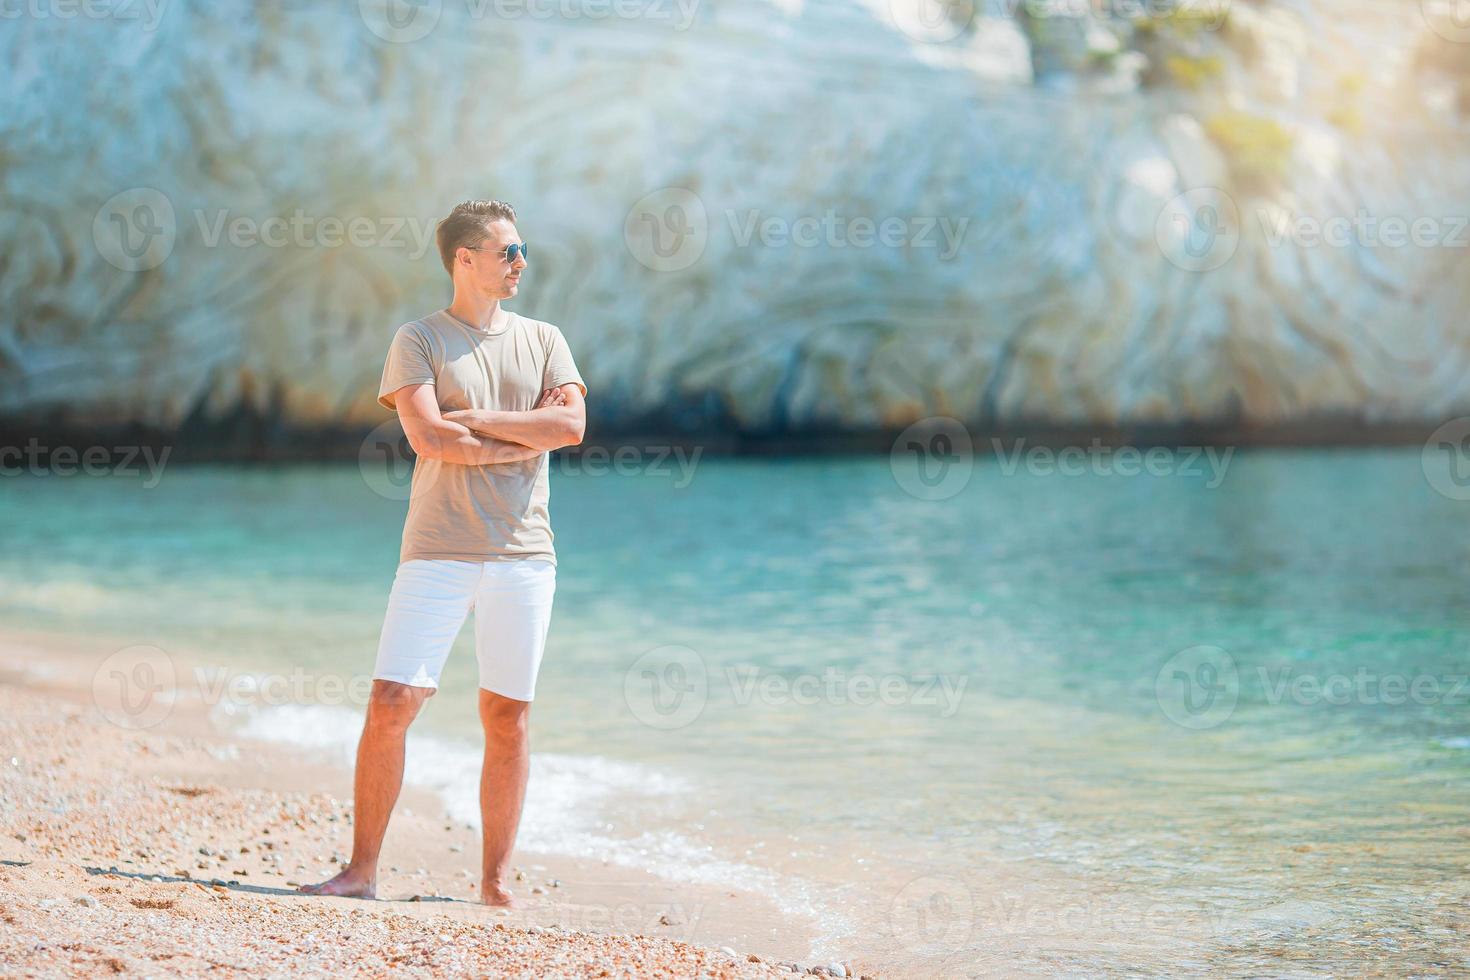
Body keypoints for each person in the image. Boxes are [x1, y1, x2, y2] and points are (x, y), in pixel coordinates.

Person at [300, 200, 586, 906]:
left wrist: (480, 421)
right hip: (436, 552)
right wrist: (524, 436)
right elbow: (430, 439)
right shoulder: (418, 340)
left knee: (507, 716)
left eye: (522, 251)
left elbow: (572, 425)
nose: (521, 262)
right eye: (508, 252)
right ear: (465, 259)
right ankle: (361, 872)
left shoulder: (546, 339)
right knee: (392, 701)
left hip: (525, 556)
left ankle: (493, 884)